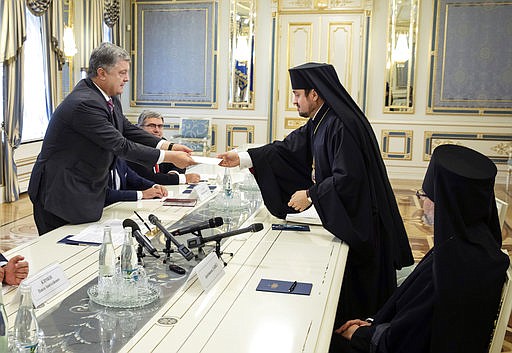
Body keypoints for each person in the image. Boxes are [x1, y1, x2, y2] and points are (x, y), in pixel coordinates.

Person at [218, 62, 413, 325]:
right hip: (354, 218)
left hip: (364, 223)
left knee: (360, 294)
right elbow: (288, 149)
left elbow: (349, 178)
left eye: (298, 94)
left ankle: (358, 333)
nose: (294, 101)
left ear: (315, 94)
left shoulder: (341, 124)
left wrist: (310, 194)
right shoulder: (322, 120)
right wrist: (243, 158)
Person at [333, 144, 509, 353]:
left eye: (424, 196)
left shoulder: (448, 269)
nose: (422, 203)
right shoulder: (476, 244)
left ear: (444, 205)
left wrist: (361, 333)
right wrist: (373, 322)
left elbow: (402, 342)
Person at [28, 42, 196, 235]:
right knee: (61, 252)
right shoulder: (84, 103)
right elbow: (120, 145)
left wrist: (170, 145)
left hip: (84, 191)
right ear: (102, 73)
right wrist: (168, 156)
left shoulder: (108, 96)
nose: (126, 79)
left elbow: (126, 128)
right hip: (61, 195)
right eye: (122, 73)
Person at [126, 110, 201, 185]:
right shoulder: (133, 147)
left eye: (160, 126)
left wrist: (173, 173)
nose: (157, 130)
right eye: (152, 126)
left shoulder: (163, 142)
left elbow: (179, 163)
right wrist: (182, 178)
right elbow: (147, 178)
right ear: (139, 128)